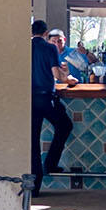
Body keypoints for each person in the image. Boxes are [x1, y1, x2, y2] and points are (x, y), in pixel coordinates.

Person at [31, 20, 73, 194]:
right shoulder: (50, 48)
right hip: (45, 98)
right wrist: (70, 80)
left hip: (28, 99)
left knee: (33, 141)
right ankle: (50, 164)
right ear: (46, 33)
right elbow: (57, 75)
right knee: (65, 126)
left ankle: (33, 188)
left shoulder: (24, 47)